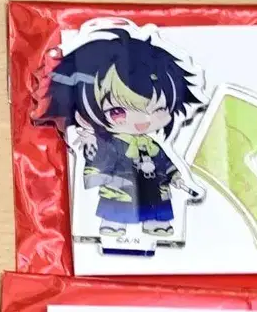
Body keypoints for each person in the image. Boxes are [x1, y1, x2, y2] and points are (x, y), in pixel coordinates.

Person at [40, 24, 205, 239]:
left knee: (156, 204)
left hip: (153, 188)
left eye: (158, 109)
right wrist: (106, 177)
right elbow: (96, 166)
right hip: (121, 190)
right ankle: (113, 224)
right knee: (117, 208)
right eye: (118, 111)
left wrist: (176, 178)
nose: (142, 121)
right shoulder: (108, 143)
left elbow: (166, 164)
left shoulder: (152, 144)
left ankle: (155, 223)